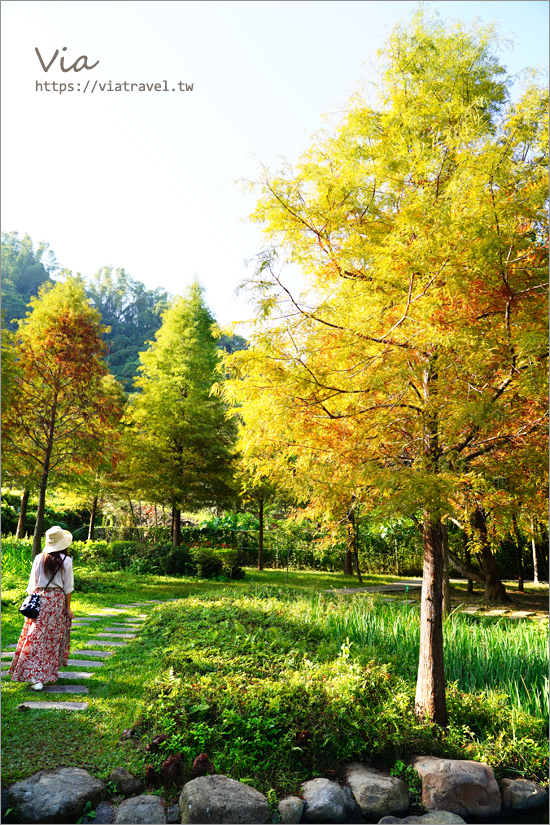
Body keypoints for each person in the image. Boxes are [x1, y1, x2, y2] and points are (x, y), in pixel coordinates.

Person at [9, 525, 75, 691]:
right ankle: (44, 675)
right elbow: (68, 587)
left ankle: (36, 676)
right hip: (56, 602)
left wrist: (34, 602)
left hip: (39, 600)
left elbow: (32, 586)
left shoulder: (39, 558)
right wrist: (68, 608)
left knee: (36, 638)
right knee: (52, 639)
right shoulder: (66, 561)